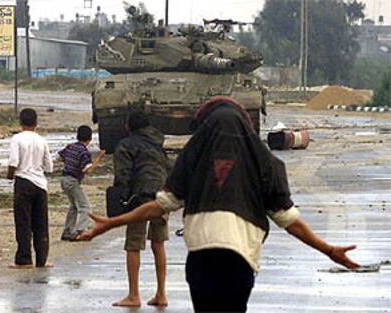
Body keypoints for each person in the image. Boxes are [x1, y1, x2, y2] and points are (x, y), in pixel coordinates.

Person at [79, 97, 360, 312]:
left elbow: (160, 206)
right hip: (242, 261)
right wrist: (328, 249)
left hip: (202, 259)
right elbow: (290, 222)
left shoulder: (193, 158)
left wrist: (112, 222)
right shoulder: (267, 163)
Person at [109, 111, 170, 307]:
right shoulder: (158, 145)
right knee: (158, 243)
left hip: (140, 197)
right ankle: (161, 294)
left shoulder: (126, 145)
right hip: (162, 197)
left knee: (134, 244)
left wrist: (123, 199)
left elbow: (123, 175)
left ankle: (134, 295)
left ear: (129, 127)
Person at [7, 108, 54, 269]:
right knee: (41, 223)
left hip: (23, 182)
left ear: (20, 122)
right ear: (36, 123)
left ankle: (24, 259)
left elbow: (13, 162)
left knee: (23, 222)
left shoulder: (17, 139)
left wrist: (9, 176)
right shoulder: (42, 140)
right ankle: (42, 259)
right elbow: (49, 167)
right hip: (40, 184)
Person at [58, 125, 106, 241]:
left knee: (74, 205)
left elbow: (59, 157)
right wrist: (99, 158)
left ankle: (67, 231)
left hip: (63, 179)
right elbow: (88, 170)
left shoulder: (70, 147)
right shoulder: (84, 152)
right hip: (72, 181)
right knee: (86, 207)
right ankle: (78, 231)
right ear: (90, 139)